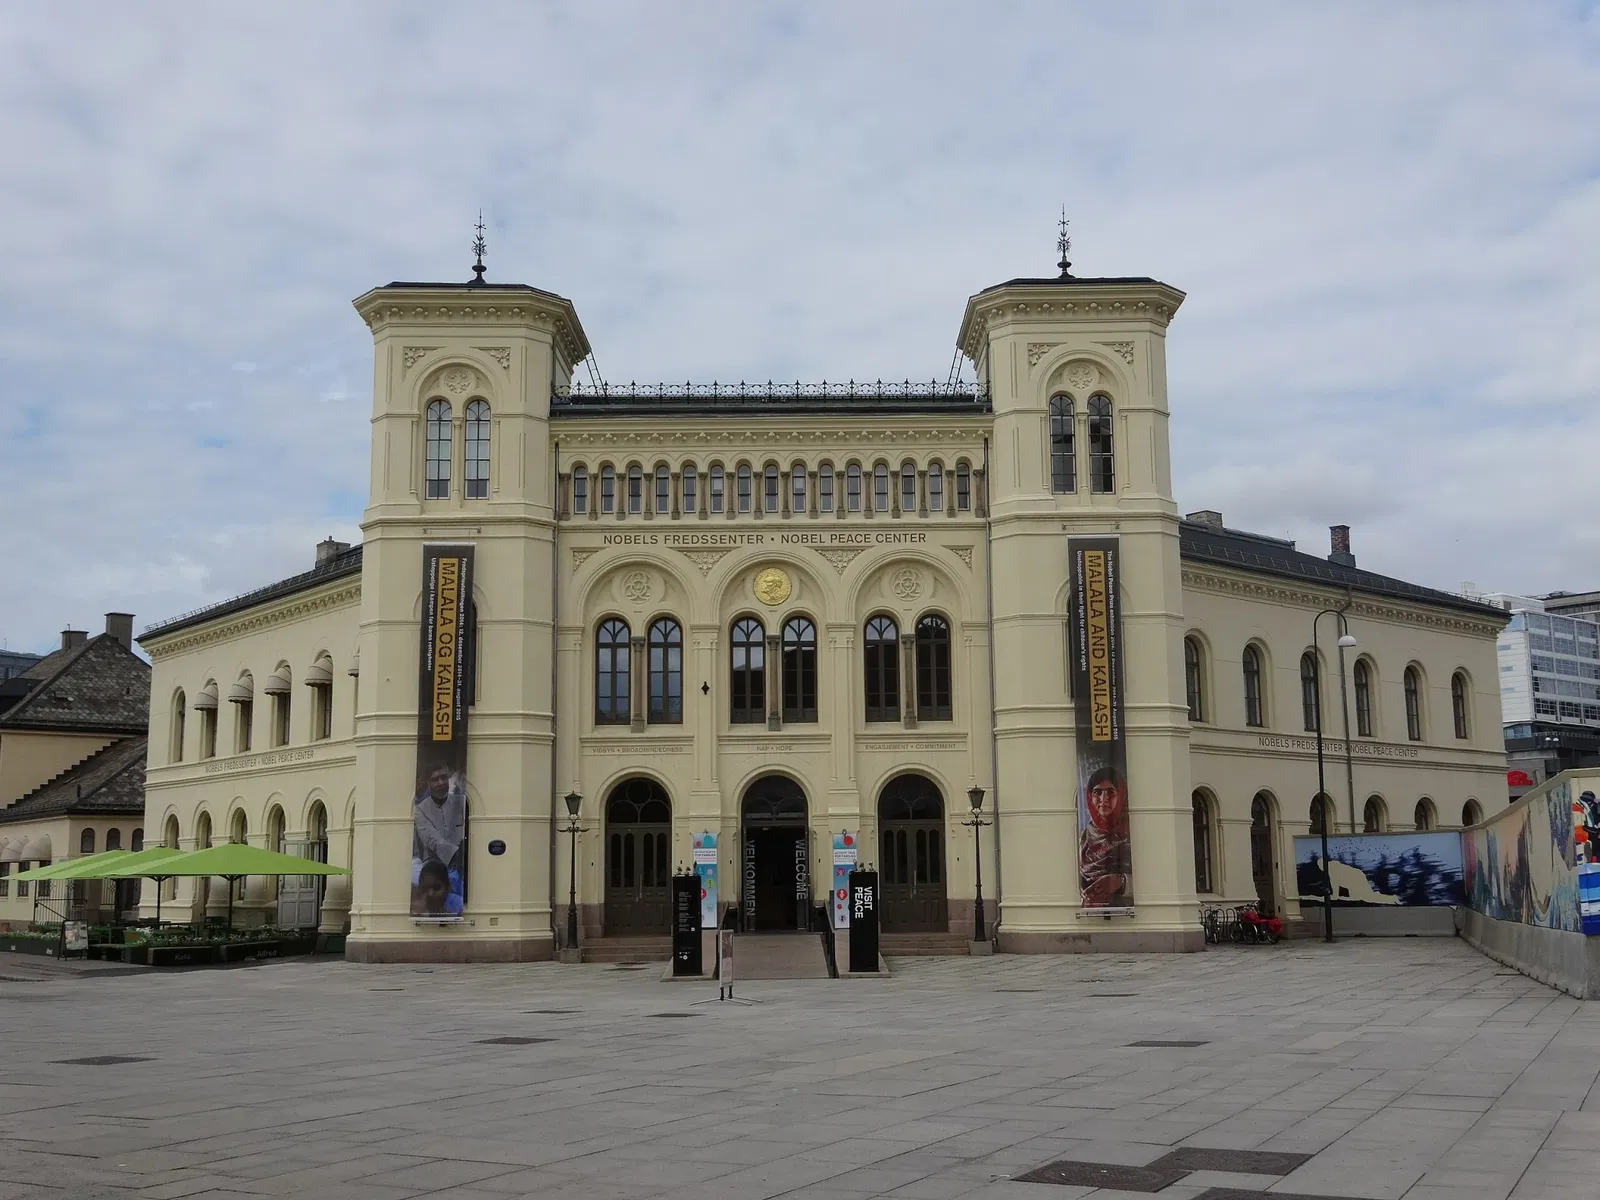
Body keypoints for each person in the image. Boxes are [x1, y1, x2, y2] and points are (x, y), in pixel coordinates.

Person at [1079, 765, 1131, 906]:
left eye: (1110, 792)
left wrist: (1120, 882)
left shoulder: (1133, 833)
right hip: (1089, 913)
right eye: (1097, 792)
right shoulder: (1084, 837)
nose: (1104, 798)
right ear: (1090, 797)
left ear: (1121, 795)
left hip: (1127, 913)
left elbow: (1153, 878)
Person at [412, 764, 466, 871]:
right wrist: (459, 854)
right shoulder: (420, 810)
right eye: (435, 779)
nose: (441, 783)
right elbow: (433, 840)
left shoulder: (462, 803)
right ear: (428, 783)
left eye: (444, 777)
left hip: (462, 867)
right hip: (433, 869)